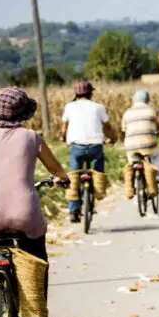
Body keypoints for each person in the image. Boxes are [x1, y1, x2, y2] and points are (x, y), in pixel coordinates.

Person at [0, 87, 72, 317]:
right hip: (25, 214)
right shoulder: (32, 137)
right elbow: (55, 168)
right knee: (38, 259)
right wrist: (63, 179)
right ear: (23, 114)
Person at [61, 80, 116, 222]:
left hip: (76, 147)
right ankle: (97, 191)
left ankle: (73, 210)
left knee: (73, 177)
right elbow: (108, 127)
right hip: (95, 146)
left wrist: (63, 138)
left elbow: (64, 128)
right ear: (91, 93)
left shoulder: (69, 106)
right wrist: (112, 138)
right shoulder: (98, 107)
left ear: (76, 94)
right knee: (98, 170)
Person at [121, 89, 159, 181]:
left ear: (134, 100)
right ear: (147, 100)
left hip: (131, 146)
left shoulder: (127, 112)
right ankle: (157, 175)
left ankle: (132, 178)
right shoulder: (153, 110)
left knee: (131, 158)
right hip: (148, 145)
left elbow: (123, 129)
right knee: (157, 154)